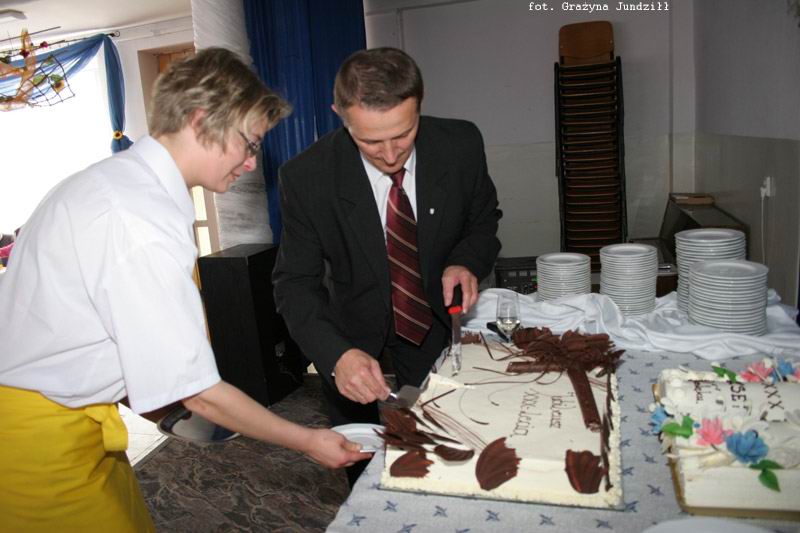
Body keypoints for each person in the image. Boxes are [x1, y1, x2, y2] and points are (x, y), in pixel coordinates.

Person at [0, 48, 369, 532]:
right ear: (200, 120)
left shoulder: (113, 183)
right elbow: (199, 393)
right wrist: (307, 440)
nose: (251, 164)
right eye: (249, 143)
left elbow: (93, 331)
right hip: (37, 441)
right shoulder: (137, 217)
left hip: (74, 418)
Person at [273, 47, 502, 484]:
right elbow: (295, 284)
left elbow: (483, 220)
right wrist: (336, 356)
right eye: (371, 142)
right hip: (351, 330)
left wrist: (464, 261)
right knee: (360, 461)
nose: (391, 154)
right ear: (340, 115)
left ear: (420, 104)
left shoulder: (461, 144)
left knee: (441, 444)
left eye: (403, 133)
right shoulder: (307, 177)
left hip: (430, 319)